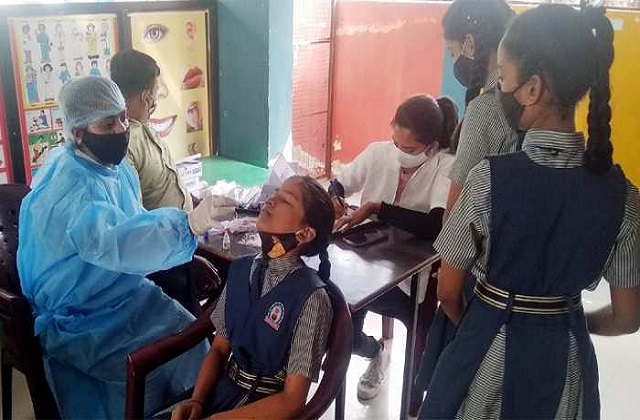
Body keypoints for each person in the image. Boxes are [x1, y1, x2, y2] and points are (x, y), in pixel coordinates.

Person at [420, 4, 640, 418]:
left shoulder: (488, 179)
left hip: (487, 355)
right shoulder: (623, 196)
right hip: (566, 362)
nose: (500, 88)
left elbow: (448, 291)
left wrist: (483, 324)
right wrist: (571, 322)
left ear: (533, 88)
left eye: (503, 77)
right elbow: (628, 318)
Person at [17, 76, 232, 418]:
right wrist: (187, 225)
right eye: (107, 124)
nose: (120, 129)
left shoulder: (110, 169)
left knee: (192, 340)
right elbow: (117, 241)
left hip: (124, 292)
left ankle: (194, 406)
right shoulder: (72, 188)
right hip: (85, 317)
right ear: (78, 132)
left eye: (121, 118)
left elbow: (135, 223)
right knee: (145, 384)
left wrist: (181, 246)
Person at [414, 0, 518, 400]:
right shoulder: (527, 104)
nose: (453, 59)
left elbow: (456, 208)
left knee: (461, 386)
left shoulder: (485, 110)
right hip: (516, 269)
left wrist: (448, 272)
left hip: (479, 274)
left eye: (453, 50)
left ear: (472, 44)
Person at [170, 176, 334, 420]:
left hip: (264, 407)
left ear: (305, 233)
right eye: (275, 193)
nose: (271, 200)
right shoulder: (241, 270)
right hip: (220, 392)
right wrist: (197, 400)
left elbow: (292, 401)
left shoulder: (311, 298)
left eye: (286, 200)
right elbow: (219, 350)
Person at [328, 94, 458, 401]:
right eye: (395, 142)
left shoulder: (446, 166)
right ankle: (374, 351)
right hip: (364, 267)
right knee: (342, 329)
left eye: (409, 149)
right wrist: (334, 198)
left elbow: (435, 224)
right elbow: (339, 184)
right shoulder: (378, 153)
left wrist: (377, 208)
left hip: (409, 280)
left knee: (414, 330)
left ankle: (413, 393)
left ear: (431, 145)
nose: (399, 153)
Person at [111, 49, 200, 313]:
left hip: (180, 243)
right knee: (181, 320)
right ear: (146, 96)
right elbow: (133, 217)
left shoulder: (144, 128)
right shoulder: (126, 142)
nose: (156, 100)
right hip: (161, 258)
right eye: (156, 93)